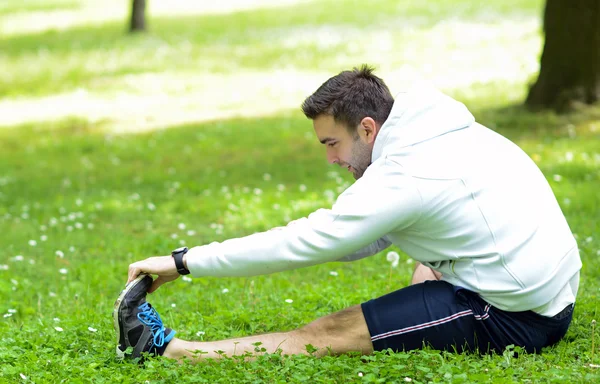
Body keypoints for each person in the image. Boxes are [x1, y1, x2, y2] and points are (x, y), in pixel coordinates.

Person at [113, 65, 582, 362]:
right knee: (422, 268)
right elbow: (364, 237)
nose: (331, 159)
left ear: (367, 127)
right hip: (550, 286)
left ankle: (172, 351)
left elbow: (308, 241)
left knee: (331, 331)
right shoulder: (438, 129)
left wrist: (182, 261)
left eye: (332, 144)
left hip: (518, 314)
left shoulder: (405, 176)